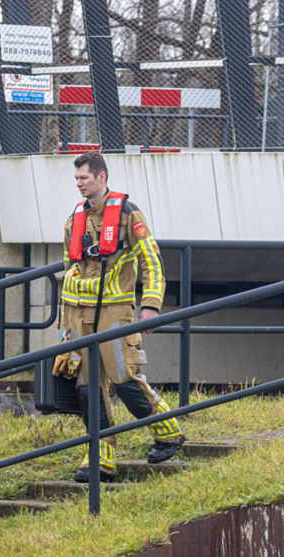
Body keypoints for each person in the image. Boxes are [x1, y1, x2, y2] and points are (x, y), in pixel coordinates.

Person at [60, 152, 186, 483]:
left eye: (84, 178)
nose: (79, 184)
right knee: (87, 389)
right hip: (77, 313)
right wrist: (65, 324)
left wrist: (151, 305)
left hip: (115, 309)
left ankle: (169, 433)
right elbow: (67, 266)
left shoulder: (128, 214)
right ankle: (102, 460)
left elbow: (152, 261)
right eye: (76, 179)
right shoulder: (74, 218)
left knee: (124, 378)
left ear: (102, 177)